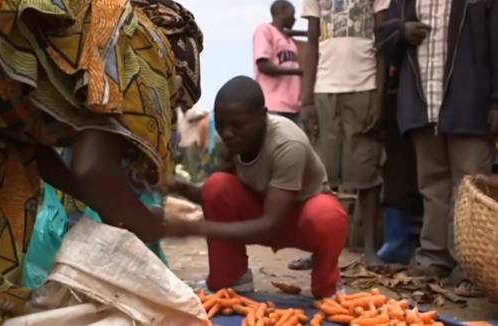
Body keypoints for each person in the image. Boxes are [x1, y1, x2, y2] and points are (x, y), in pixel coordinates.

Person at [0, 0, 202, 324]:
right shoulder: (145, 50)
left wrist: (115, 209)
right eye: (173, 101)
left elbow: (41, 156)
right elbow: (93, 168)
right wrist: (139, 218)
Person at [165, 76, 347, 299]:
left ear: (263, 116)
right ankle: (230, 278)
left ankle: (328, 285)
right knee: (217, 184)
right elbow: (216, 196)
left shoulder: (287, 144)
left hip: (300, 220)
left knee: (326, 214)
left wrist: (196, 228)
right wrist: (176, 187)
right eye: (221, 124)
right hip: (263, 213)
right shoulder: (228, 141)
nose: (228, 132)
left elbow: (271, 225)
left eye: (238, 125)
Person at [377, 0, 498, 297]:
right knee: (432, 186)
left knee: (469, 190)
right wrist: (402, 31)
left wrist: (496, 100)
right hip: (423, 107)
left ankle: (471, 270)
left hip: (470, 105)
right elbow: (382, 37)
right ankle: (433, 259)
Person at [288, 0, 390, 270]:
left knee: (366, 171)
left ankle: (369, 250)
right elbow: (312, 45)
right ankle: (318, 248)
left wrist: (379, 100)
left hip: (365, 87)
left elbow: (383, 43)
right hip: (324, 90)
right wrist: (307, 100)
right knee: (322, 175)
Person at [377, 64, 423, 265]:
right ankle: (396, 243)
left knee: (434, 177)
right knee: (396, 170)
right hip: (395, 92)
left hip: (439, 96)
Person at [253, 0, 302, 125]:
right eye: (293, 13)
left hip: (295, 107)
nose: (295, 19)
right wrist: (299, 72)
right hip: (273, 106)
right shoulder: (264, 30)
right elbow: (263, 65)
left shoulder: (289, 41)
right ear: (282, 10)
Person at [178, 106, 207, 182]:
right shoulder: (181, 113)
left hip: (191, 143)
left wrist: (194, 118)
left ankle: (196, 183)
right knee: (187, 166)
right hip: (183, 143)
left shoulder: (191, 111)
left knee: (193, 166)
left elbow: (203, 115)